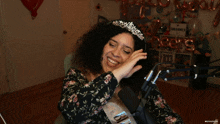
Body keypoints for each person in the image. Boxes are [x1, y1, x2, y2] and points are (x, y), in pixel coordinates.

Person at [58, 20, 184, 124]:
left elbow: (167, 116)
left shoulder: (141, 83)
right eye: (112, 44)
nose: (116, 53)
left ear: (133, 58)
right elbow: (72, 113)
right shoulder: (77, 75)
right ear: (100, 46)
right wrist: (117, 74)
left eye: (126, 51)